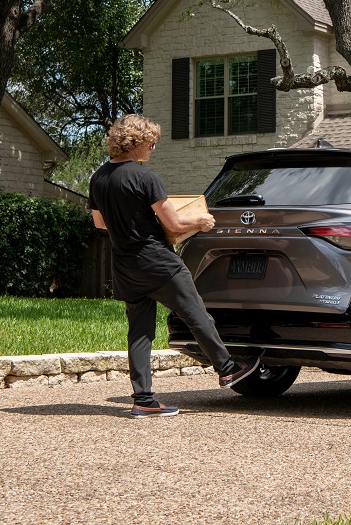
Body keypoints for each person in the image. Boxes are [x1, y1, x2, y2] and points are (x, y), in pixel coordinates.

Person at [89, 114, 260, 418]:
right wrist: (202, 221)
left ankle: (143, 398)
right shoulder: (145, 178)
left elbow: (100, 223)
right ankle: (228, 368)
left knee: (139, 333)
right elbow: (175, 221)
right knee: (196, 315)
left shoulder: (99, 178)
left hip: (125, 265)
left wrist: (131, 220)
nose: (154, 147)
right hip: (158, 262)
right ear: (136, 142)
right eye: (151, 141)